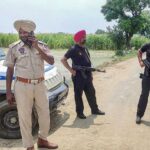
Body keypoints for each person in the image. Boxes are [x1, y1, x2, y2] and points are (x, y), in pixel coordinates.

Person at [4, 20, 58, 150]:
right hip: (22, 86)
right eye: (20, 32)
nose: (22, 34)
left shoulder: (42, 45)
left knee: (45, 113)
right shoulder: (14, 48)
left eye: (25, 32)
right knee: (24, 117)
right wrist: (8, 92)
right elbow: (10, 70)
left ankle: (43, 139)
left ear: (31, 33)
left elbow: (51, 61)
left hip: (40, 84)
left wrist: (37, 47)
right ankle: (29, 146)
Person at [61, 30, 105, 119]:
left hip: (87, 75)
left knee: (91, 93)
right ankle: (80, 113)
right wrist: (71, 70)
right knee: (78, 95)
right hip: (78, 76)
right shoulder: (73, 49)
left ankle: (95, 109)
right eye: (83, 37)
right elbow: (63, 59)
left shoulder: (85, 48)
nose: (85, 38)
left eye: (85, 36)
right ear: (79, 38)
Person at [136, 43, 150, 124]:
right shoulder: (147, 45)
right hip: (147, 75)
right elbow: (139, 52)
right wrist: (141, 61)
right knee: (144, 96)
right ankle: (139, 115)